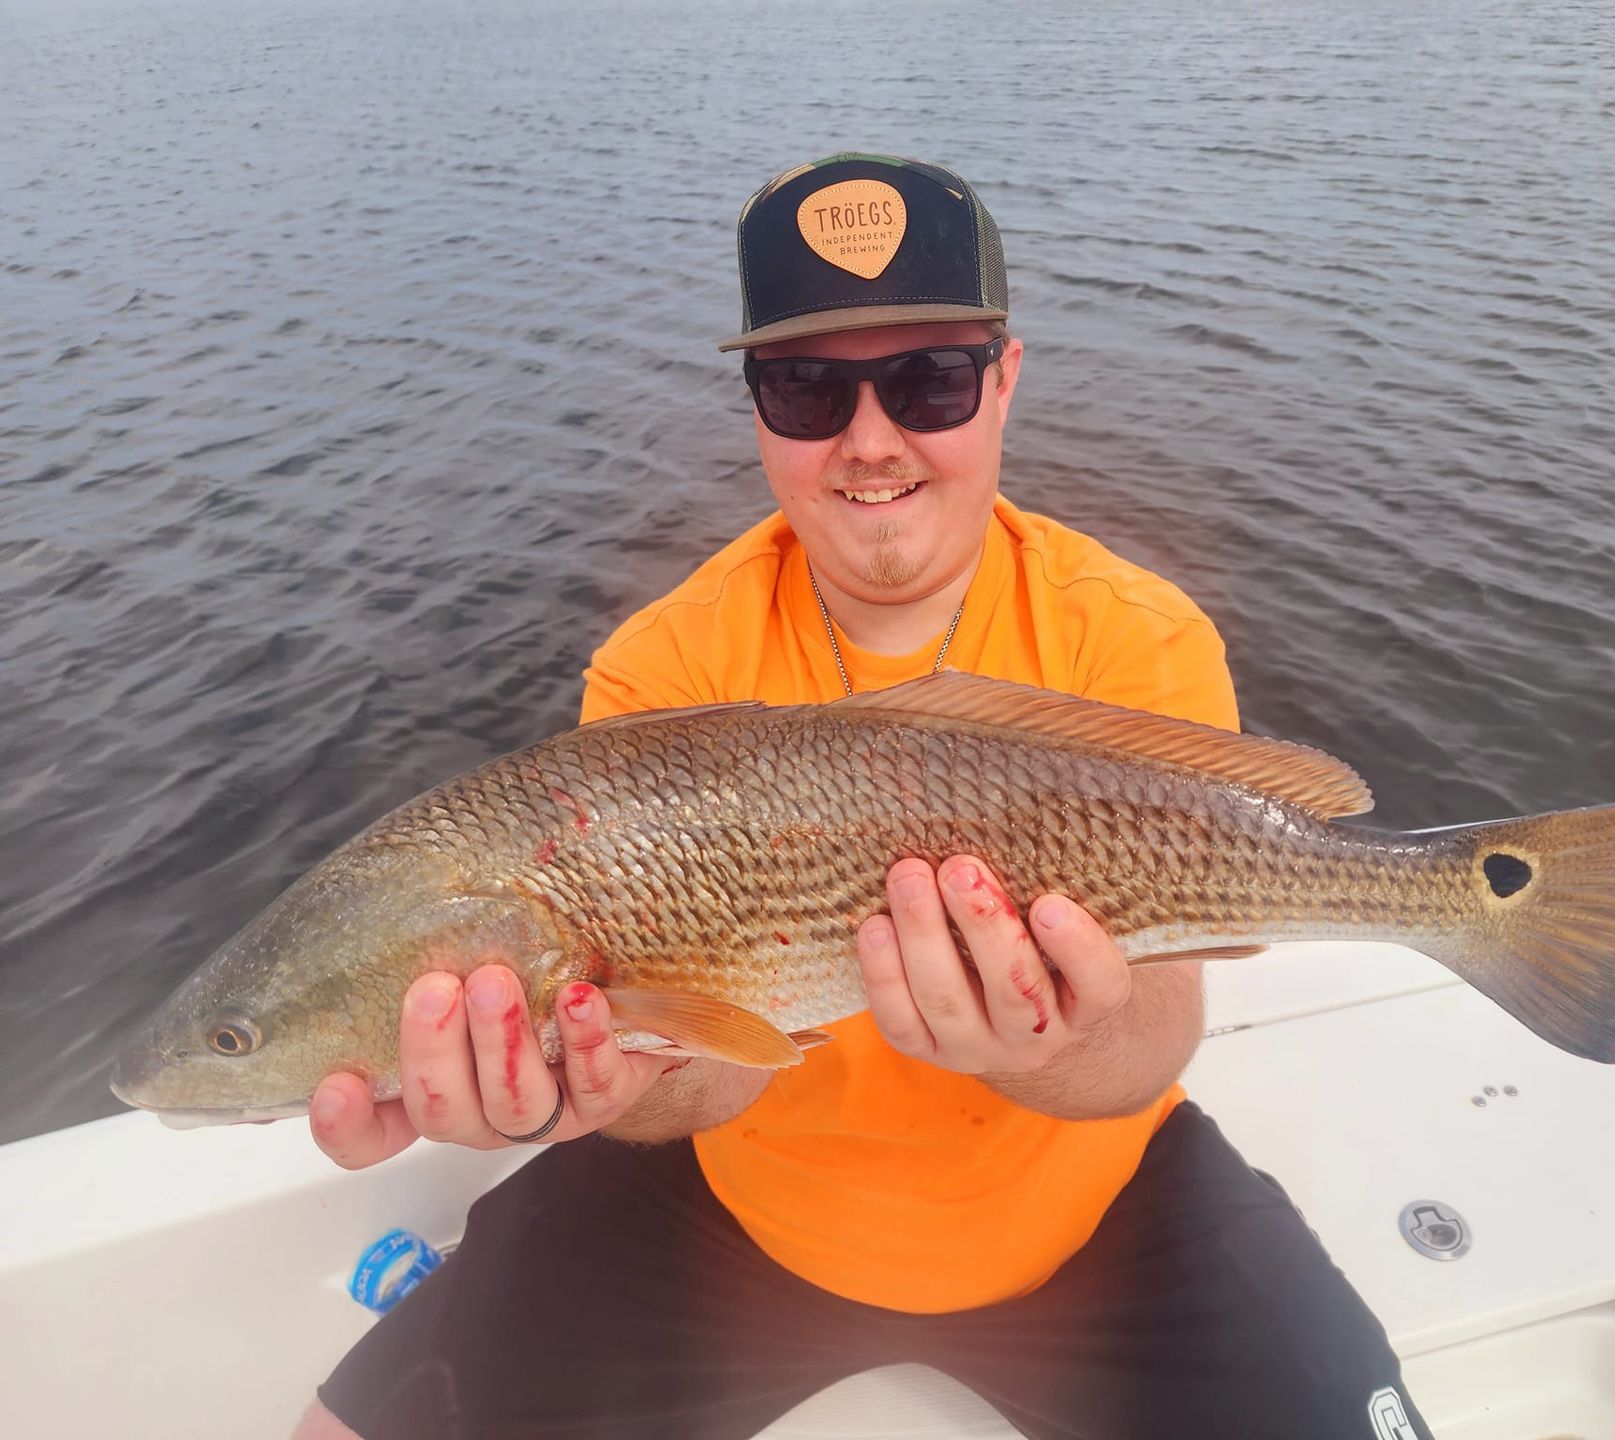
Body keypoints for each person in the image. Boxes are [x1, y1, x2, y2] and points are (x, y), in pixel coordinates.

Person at [293, 152, 1434, 1440]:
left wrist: (1051, 1045)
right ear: (757, 408)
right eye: (806, 388)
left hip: (1091, 1216)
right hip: (739, 1216)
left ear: (1005, 378)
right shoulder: (661, 666)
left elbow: (1151, 1044)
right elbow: (706, 1077)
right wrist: (608, 1084)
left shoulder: (1135, 636)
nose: (872, 439)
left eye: (931, 378)